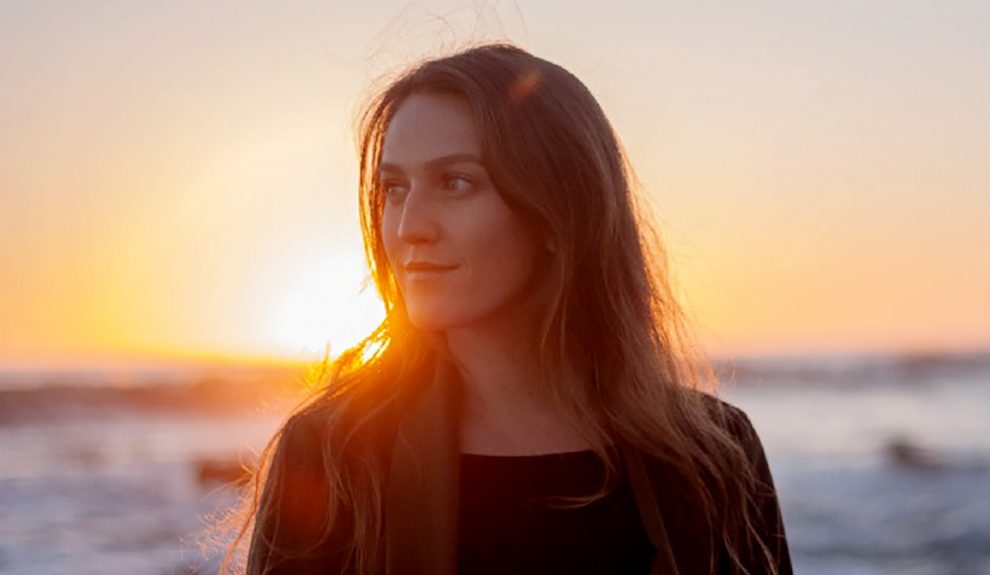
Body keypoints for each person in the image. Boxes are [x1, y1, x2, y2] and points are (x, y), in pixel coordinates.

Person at [225, 43, 792, 575]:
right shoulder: (334, 455)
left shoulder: (711, 457)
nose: (408, 226)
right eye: (394, 188)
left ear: (560, 211)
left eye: (456, 182)